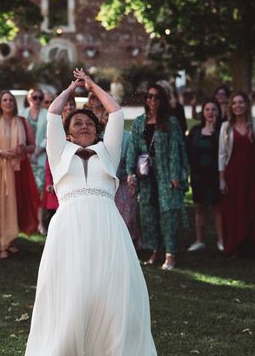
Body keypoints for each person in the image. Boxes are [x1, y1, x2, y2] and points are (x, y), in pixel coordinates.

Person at [26, 69, 157, 356]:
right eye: (77, 123)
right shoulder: (59, 153)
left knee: (110, 291)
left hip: (107, 227)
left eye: (88, 123)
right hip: (69, 228)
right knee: (72, 290)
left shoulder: (107, 153)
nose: (83, 126)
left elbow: (116, 112)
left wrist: (93, 85)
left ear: (97, 131)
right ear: (68, 132)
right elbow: (52, 113)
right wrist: (73, 87)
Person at [126, 83, 188, 270]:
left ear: (163, 100)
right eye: (149, 96)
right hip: (146, 176)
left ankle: (170, 254)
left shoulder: (171, 122)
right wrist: (130, 172)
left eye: (157, 97)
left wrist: (176, 175)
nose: (152, 100)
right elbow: (133, 149)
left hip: (165, 175)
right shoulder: (139, 122)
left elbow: (176, 150)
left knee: (167, 215)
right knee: (148, 214)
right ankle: (156, 250)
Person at [0, 90, 39, 259]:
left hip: (19, 169)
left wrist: (23, 149)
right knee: (1, 203)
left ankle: (12, 240)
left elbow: (32, 146)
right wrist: (0, 152)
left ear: (14, 104)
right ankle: (3, 245)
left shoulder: (22, 121)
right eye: (4, 100)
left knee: (16, 203)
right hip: (0, 168)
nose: (8, 103)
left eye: (10, 100)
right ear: (0, 104)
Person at [218, 91, 255, 259]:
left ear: (246, 105)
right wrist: (222, 179)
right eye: (234, 103)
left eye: (241, 102)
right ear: (230, 107)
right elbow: (222, 154)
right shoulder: (226, 127)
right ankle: (235, 246)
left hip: (252, 171)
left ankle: (254, 247)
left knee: (252, 207)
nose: (237, 106)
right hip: (233, 172)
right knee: (234, 208)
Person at [186, 98, 223, 252]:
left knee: (217, 208)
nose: (210, 112)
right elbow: (188, 151)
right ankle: (200, 240)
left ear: (218, 112)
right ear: (203, 112)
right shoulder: (195, 131)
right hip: (198, 176)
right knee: (199, 207)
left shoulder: (221, 131)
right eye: (207, 109)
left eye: (213, 109)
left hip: (215, 175)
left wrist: (214, 129)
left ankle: (221, 240)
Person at [40, 95, 76, 233]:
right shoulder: (57, 127)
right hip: (58, 168)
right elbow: (50, 158)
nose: (68, 107)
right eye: (66, 105)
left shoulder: (81, 123)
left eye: (71, 104)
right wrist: (50, 180)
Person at [23, 88, 48, 233]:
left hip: (40, 158)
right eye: (34, 97)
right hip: (24, 158)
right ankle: (27, 222)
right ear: (29, 98)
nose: (37, 100)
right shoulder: (22, 113)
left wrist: (37, 152)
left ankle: (39, 223)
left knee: (39, 191)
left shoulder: (46, 115)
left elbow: (47, 136)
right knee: (25, 191)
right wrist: (26, 153)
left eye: (40, 98)